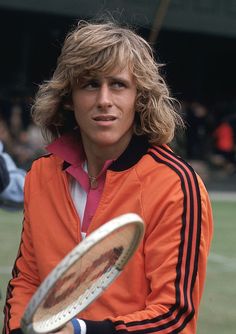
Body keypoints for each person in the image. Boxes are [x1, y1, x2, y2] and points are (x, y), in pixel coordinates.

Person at [3, 20, 213, 334]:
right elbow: (28, 281)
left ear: (139, 98)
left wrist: (80, 330)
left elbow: (174, 316)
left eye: (118, 84)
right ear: (69, 98)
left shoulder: (176, 185)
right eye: (90, 84)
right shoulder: (41, 174)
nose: (104, 100)